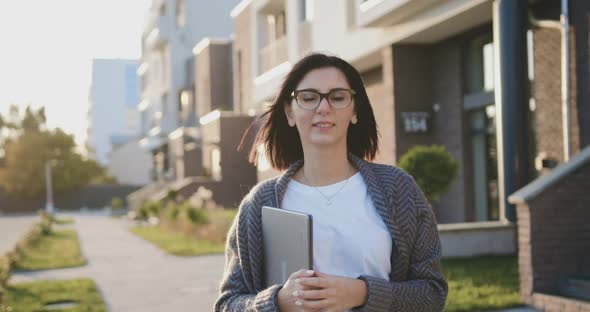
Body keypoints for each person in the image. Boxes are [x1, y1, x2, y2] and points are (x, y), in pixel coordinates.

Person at [214, 53, 447, 312]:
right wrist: (278, 301)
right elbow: (227, 304)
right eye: (309, 97)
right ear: (290, 112)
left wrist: (362, 293)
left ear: (355, 110)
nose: (323, 108)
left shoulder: (397, 188)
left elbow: (432, 294)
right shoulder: (259, 204)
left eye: (337, 97)